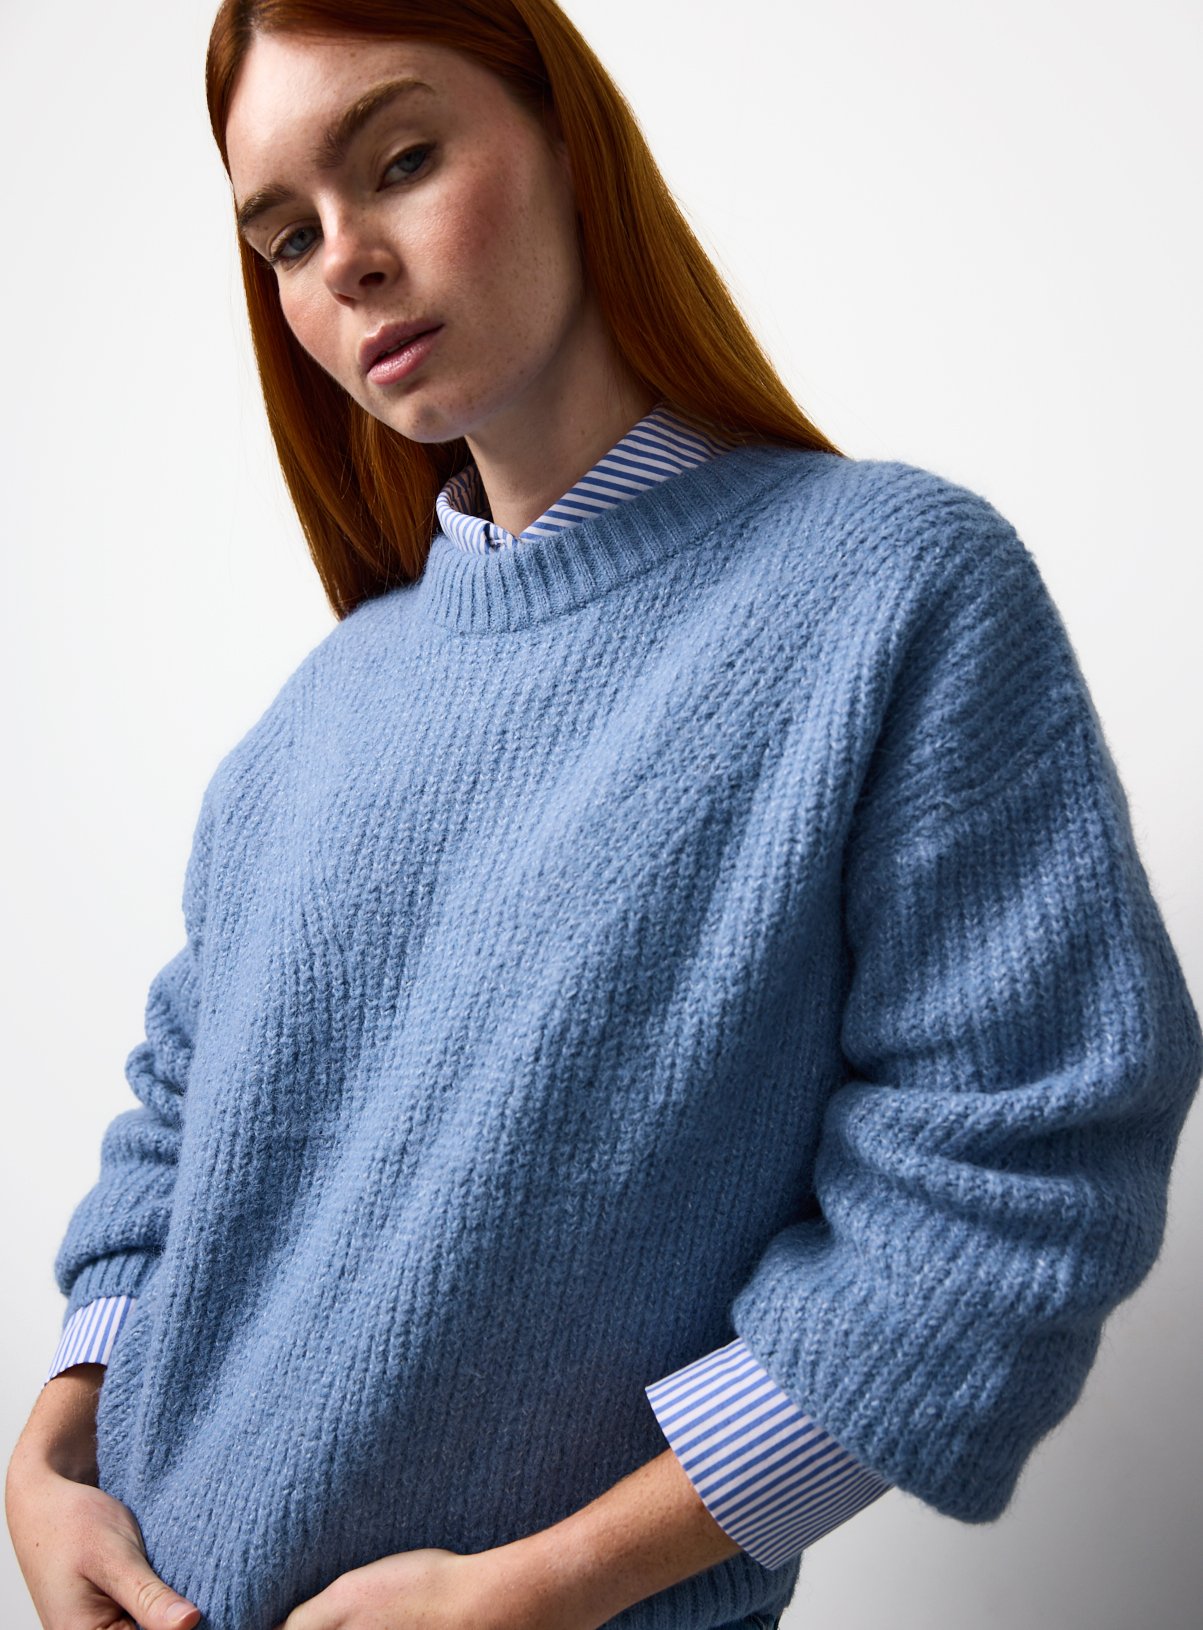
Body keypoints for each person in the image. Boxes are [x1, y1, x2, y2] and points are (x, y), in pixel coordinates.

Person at [6, 2, 1201, 1628]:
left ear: (572, 142)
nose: (345, 261)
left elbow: (1015, 1174)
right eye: (285, 236)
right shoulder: (316, 716)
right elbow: (180, 1121)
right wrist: (49, 1455)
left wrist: (547, 1586)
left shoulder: (891, 594)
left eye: (399, 159)